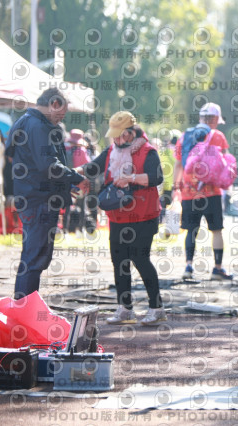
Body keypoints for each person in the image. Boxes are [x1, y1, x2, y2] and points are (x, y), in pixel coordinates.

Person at [78, 111, 166, 325]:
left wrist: (131, 178)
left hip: (144, 215)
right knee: (119, 261)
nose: (115, 139)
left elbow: (156, 177)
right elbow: (93, 167)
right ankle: (125, 308)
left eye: (118, 135)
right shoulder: (111, 151)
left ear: (129, 133)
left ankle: (156, 308)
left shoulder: (148, 151)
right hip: (118, 216)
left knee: (140, 259)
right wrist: (70, 172)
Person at [5, 87, 89, 299]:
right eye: (62, 112)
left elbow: (15, 157)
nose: (62, 117)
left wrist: (62, 187)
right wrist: (76, 178)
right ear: (54, 104)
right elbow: (48, 165)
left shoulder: (23, 121)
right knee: (35, 258)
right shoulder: (38, 126)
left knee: (34, 256)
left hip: (32, 197)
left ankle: (24, 306)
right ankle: (24, 307)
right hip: (39, 201)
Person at [173, 102, 233, 281]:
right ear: (215, 119)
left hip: (189, 191)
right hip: (211, 192)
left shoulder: (184, 136)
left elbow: (178, 164)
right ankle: (217, 269)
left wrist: (176, 187)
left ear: (200, 118)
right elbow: (225, 162)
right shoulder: (218, 136)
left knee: (191, 230)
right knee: (216, 230)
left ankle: (188, 267)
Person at [62, 129, 92, 233]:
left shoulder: (65, 149)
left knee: (67, 206)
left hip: (67, 181)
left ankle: (65, 229)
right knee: (82, 205)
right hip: (80, 182)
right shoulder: (82, 151)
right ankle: (80, 228)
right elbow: (88, 166)